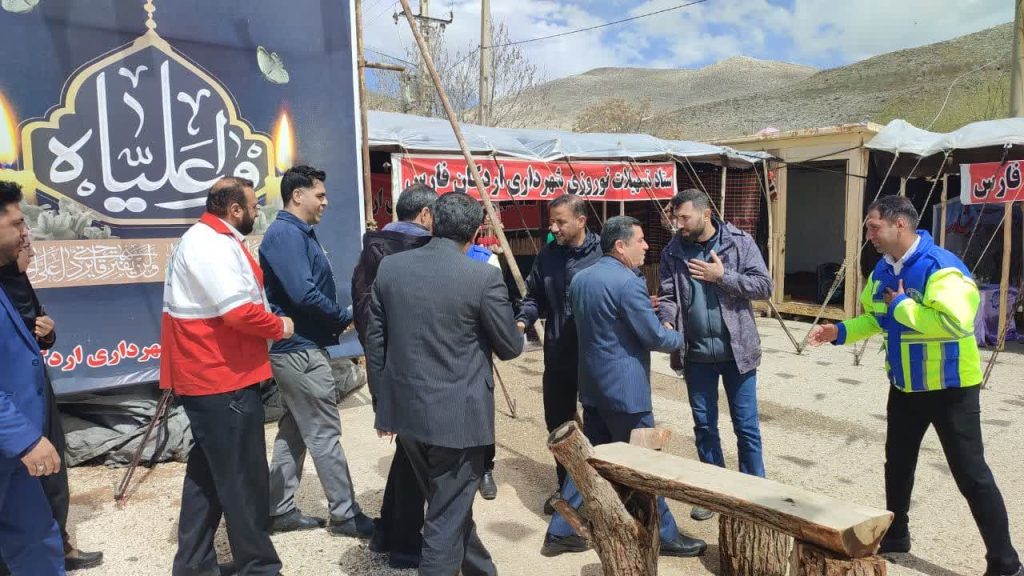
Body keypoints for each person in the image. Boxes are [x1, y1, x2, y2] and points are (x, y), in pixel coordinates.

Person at [807, 195, 1022, 576]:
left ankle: (1005, 563)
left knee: (971, 474)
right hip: (905, 386)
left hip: (950, 389)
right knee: (898, 464)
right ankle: (897, 536)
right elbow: (877, 319)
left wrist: (903, 306)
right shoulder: (882, 270)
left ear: (900, 225)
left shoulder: (941, 268)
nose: (869, 235)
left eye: (874, 227)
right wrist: (839, 332)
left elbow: (956, 323)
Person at [366, 192, 522, 576]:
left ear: (432, 221)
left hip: (407, 414)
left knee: (449, 507)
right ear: (476, 231)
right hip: (458, 418)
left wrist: (382, 405)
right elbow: (510, 347)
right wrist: (515, 324)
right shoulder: (483, 276)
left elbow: (375, 343)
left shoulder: (391, 268)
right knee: (445, 517)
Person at [542, 216, 707, 559]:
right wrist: (678, 335)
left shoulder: (583, 278)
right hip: (626, 391)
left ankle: (561, 531)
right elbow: (653, 336)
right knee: (646, 463)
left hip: (593, 386)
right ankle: (665, 535)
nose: (646, 246)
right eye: (640, 240)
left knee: (590, 461)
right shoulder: (629, 282)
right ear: (620, 246)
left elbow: (604, 323)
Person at [161, 177, 293, 576]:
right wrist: (279, 326)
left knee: (208, 477)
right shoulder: (210, 244)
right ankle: (259, 566)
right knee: (243, 479)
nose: (257, 213)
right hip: (220, 377)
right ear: (234, 210)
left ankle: (194, 565)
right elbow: (237, 312)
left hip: (217, 375)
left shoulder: (212, 238)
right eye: (253, 206)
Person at [258, 165, 370, 539]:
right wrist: (341, 317)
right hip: (300, 352)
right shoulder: (285, 235)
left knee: (295, 430)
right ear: (297, 195)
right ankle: (345, 514)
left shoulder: (297, 233)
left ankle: (278, 509)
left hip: (300, 348)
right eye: (319, 195)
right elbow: (303, 293)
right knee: (324, 432)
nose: (325, 202)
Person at [657, 189, 772, 522]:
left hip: (738, 353)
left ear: (705, 214)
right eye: (675, 218)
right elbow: (668, 295)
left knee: (746, 427)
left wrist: (722, 277)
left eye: (684, 217)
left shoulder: (739, 243)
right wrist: (667, 319)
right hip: (695, 356)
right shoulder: (672, 251)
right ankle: (713, 492)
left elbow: (764, 287)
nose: (678, 224)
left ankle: (755, 493)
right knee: (705, 426)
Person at [0, 241, 103, 573]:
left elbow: (29, 336)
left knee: (50, 475)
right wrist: (24, 438)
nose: (28, 246)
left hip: (35, 395)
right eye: (20, 233)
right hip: (11, 413)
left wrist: (47, 334)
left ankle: (59, 543)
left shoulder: (18, 284)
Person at [352, 183, 436, 570]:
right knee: (418, 457)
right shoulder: (416, 253)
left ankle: (387, 530)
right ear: (425, 215)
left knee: (408, 452)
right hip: (414, 373)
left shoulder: (371, 251)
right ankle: (405, 543)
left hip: (385, 369)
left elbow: (368, 323)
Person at [514, 194, 601, 511]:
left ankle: (601, 493)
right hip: (558, 354)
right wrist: (522, 321)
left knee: (597, 424)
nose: (554, 228)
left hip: (595, 357)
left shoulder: (604, 254)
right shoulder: (547, 255)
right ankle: (567, 488)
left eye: (560, 222)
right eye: (552, 221)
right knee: (558, 423)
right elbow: (533, 297)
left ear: (581, 220)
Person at [0, 181, 64, 575]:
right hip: (15, 437)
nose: (26, 232)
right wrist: (24, 438)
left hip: (13, 450)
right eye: (17, 223)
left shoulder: (9, 279)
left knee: (37, 540)